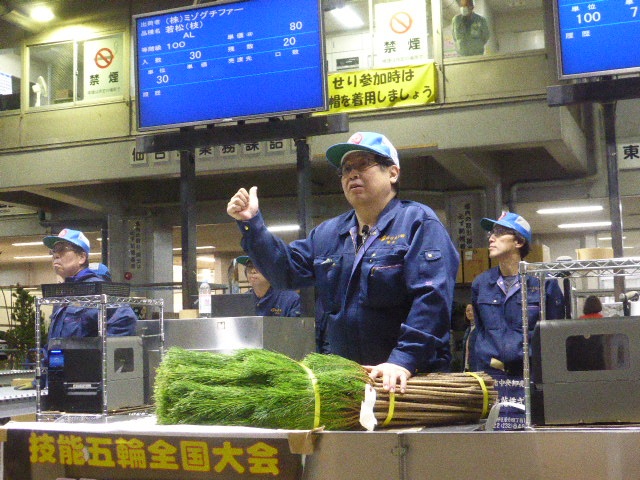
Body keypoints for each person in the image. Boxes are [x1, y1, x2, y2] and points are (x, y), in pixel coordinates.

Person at [227, 131, 460, 393]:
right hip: (347, 379)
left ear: (393, 173)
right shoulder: (329, 233)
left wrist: (404, 360)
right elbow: (285, 272)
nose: (352, 174)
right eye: (347, 168)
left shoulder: (418, 223)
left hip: (408, 379)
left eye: (364, 164)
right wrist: (252, 224)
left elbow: (431, 298)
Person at [472, 212, 564, 430]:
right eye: (491, 233)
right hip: (492, 378)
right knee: (492, 437)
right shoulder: (481, 283)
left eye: (499, 233)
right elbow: (480, 330)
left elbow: (555, 336)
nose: (491, 238)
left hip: (529, 378)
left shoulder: (543, 283)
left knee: (531, 436)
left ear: (519, 242)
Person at [43, 228, 137, 339]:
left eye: (62, 249)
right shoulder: (63, 294)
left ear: (82, 257)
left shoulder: (98, 290)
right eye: (54, 251)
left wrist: (98, 349)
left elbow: (125, 321)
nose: (56, 255)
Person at [236, 255, 301, 317]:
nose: (253, 271)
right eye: (250, 266)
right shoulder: (242, 301)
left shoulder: (290, 299)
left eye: (258, 265)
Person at [462, 303, 477, 372]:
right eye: (467, 310)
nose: (470, 312)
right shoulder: (467, 330)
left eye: (472, 310)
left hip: (477, 368)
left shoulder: (481, 330)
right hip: (466, 367)